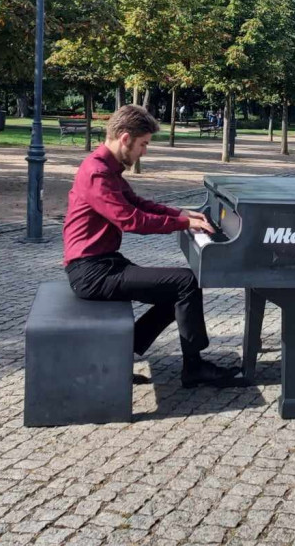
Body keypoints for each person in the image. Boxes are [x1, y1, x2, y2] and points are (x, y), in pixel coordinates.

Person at [63, 104, 241, 386]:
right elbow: (131, 220)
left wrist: (180, 213)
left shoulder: (106, 168)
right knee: (186, 283)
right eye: (143, 144)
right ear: (125, 138)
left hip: (103, 263)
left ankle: (119, 353)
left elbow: (138, 203)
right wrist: (183, 224)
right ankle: (194, 367)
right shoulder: (98, 173)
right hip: (92, 272)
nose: (144, 151)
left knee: (177, 293)